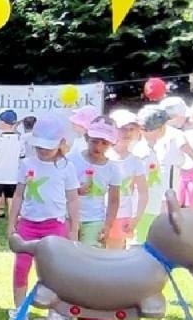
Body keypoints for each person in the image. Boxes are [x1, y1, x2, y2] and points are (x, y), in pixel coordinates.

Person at [12, 115, 80, 306]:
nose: (43, 151)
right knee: (21, 266)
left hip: (54, 225)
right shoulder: (27, 164)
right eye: (40, 146)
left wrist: (74, 228)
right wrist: (12, 224)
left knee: (55, 268)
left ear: (60, 144)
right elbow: (18, 195)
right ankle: (18, 308)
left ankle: (56, 309)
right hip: (28, 224)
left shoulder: (67, 167)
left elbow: (73, 199)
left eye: (48, 147)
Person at [133, 107, 184, 244]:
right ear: (159, 128)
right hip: (143, 206)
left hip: (152, 203)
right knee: (140, 240)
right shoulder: (141, 152)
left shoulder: (150, 149)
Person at [69, 119, 123, 247]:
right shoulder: (71, 160)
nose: (98, 147)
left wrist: (108, 224)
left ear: (110, 143)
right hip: (69, 217)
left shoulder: (112, 168)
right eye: (94, 141)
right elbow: (60, 187)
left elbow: (114, 200)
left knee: (92, 257)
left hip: (94, 219)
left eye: (104, 143)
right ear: (87, 138)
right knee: (67, 256)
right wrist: (76, 191)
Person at [107, 109, 148, 250]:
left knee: (114, 254)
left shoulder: (136, 161)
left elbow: (143, 192)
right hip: (98, 214)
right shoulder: (103, 156)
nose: (127, 133)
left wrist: (136, 218)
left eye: (131, 129)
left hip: (123, 214)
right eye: (122, 129)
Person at [0, 110, 24, 234]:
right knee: (11, 200)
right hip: (13, 176)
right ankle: (13, 226)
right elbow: (22, 158)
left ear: (3, 123)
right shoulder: (19, 140)